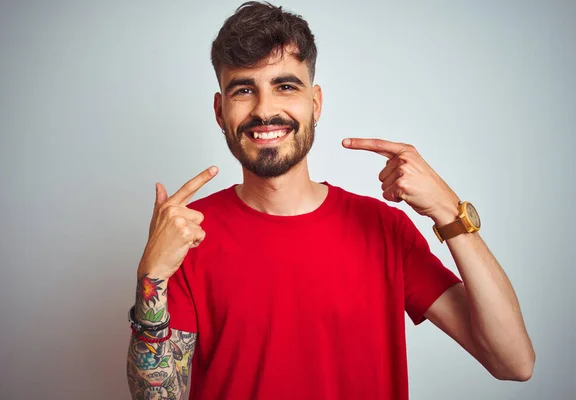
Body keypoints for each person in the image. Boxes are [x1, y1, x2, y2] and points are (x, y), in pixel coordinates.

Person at [126, 2, 535, 399]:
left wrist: (449, 210)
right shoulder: (188, 236)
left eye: (285, 86)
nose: (265, 110)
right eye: (244, 90)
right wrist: (153, 275)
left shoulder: (383, 229)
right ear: (220, 111)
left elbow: (513, 362)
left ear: (315, 103)